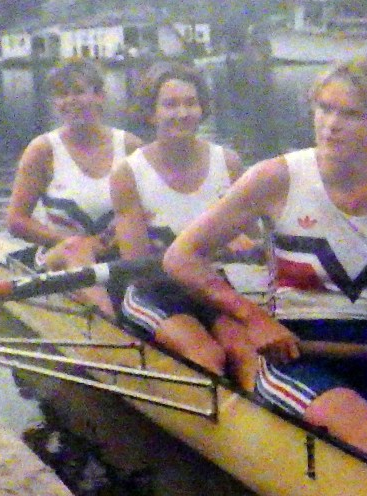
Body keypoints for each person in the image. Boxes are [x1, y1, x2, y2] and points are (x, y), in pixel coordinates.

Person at [163, 57, 367, 475]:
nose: (331, 124)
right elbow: (180, 256)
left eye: (350, 113)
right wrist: (251, 318)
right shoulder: (276, 177)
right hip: (295, 348)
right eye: (324, 108)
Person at [109, 61, 248, 377]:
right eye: (170, 104)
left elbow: (250, 243)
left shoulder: (228, 162)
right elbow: (136, 263)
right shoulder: (128, 173)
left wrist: (242, 242)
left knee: (244, 350)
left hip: (213, 285)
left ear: (202, 109)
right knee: (207, 355)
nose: (182, 113)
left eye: (190, 103)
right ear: (151, 113)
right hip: (154, 290)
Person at [6, 58, 144, 315]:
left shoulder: (130, 146)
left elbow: (151, 208)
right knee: (76, 248)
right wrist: (77, 241)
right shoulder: (42, 150)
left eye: (79, 92)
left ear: (100, 96)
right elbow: (16, 220)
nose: (70, 101)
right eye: (62, 94)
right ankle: (108, 323)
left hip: (117, 254)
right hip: (59, 256)